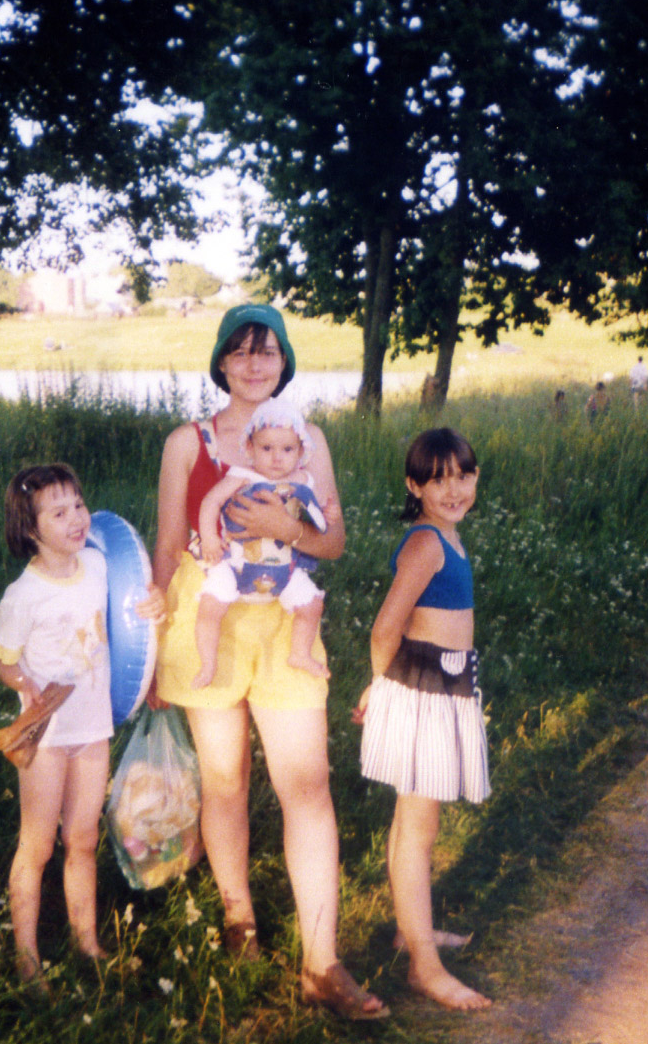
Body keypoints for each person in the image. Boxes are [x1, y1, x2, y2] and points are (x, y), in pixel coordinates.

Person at [151, 303, 387, 1020]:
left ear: (284, 362)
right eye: (241, 351)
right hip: (208, 622)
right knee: (224, 781)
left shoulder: (308, 439)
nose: (254, 363)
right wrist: (151, 653)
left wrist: (287, 526)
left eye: (268, 351)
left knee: (307, 785)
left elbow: (332, 541)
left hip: (285, 623)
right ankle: (239, 920)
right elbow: (167, 546)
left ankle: (322, 961)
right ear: (221, 362)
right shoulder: (187, 442)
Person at [0, 463, 165, 981]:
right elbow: (3, 661)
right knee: (38, 844)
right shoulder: (23, 595)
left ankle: (86, 942)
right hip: (47, 736)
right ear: (30, 529)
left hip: (92, 728)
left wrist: (153, 609)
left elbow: (129, 618)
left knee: (84, 838)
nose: (76, 519)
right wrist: (24, 684)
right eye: (59, 513)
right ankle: (26, 958)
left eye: (79, 505)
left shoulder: (97, 566)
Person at [358, 428, 492, 1011]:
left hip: (445, 685)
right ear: (414, 487)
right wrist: (381, 687)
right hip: (420, 690)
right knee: (419, 828)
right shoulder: (426, 544)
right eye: (438, 480)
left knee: (411, 821)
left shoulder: (449, 536)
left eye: (463, 476)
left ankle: (410, 930)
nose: (453, 490)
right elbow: (385, 627)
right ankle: (424, 966)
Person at [195, 396, 329, 685]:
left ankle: (300, 653)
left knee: (312, 605)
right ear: (250, 448)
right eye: (266, 448)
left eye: (287, 449)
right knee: (209, 605)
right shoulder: (242, 476)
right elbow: (210, 502)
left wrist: (328, 514)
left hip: (285, 567)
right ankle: (207, 663)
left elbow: (316, 518)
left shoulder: (302, 482)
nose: (277, 457)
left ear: (301, 451)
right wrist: (209, 538)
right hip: (235, 561)